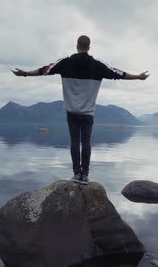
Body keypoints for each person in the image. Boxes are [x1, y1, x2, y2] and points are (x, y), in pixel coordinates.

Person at [12, 35, 149, 184]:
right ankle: (85, 175)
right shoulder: (98, 66)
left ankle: (76, 174)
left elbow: (44, 70)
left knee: (74, 142)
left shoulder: (64, 63)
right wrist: (138, 77)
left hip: (71, 112)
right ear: (89, 48)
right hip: (88, 114)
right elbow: (118, 74)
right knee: (86, 142)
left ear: (77, 46)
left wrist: (25, 73)